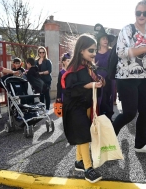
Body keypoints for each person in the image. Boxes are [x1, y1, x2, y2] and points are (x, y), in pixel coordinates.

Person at [112, 0, 146, 155]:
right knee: (129, 113)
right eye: (138, 12)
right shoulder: (127, 30)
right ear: (135, 13)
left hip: (143, 79)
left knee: (145, 111)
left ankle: (140, 144)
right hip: (126, 78)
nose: (141, 15)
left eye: (145, 13)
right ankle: (107, 141)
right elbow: (121, 52)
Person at [61, 34, 105, 183]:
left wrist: (99, 83)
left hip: (85, 105)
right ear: (81, 50)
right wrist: (91, 85)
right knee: (84, 135)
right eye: (91, 51)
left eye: (95, 51)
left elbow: (92, 86)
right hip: (74, 107)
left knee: (83, 134)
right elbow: (70, 90)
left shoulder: (88, 67)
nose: (94, 54)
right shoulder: (73, 69)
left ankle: (79, 161)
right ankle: (88, 168)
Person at [94, 23, 115, 120]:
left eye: (107, 39)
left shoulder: (111, 52)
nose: (106, 40)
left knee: (107, 100)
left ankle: (108, 120)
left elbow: (114, 67)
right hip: (96, 80)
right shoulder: (94, 53)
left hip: (109, 79)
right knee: (98, 101)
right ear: (99, 40)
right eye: (103, 39)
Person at [35, 46, 52, 111]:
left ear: (45, 53)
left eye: (43, 52)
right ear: (38, 53)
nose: (42, 54)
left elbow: (49, 71)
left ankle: (47, 109)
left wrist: (40, 73)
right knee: (41, 95)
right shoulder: (36, 61)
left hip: (46, 80)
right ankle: (42, 109)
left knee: (46, 95)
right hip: (39, 81)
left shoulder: (48, 61)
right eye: (40, 52)